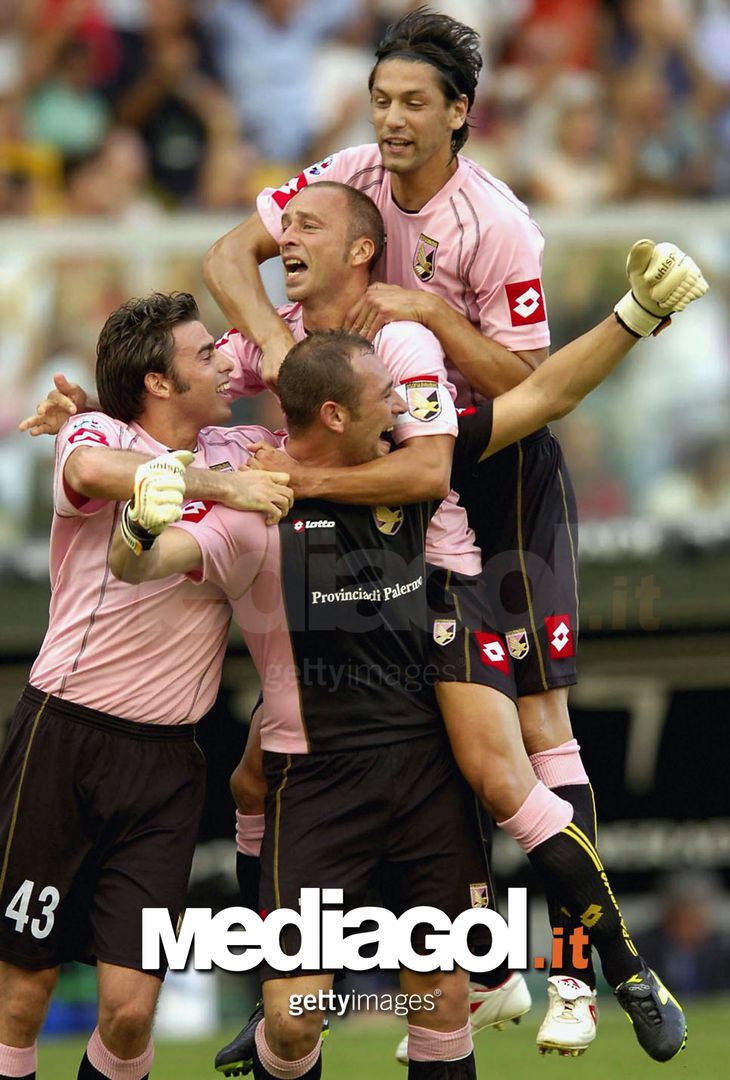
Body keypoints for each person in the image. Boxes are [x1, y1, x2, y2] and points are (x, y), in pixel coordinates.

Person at [119, 232, 704, 1074]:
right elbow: (158, 484)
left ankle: (619, 970)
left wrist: (636, 314)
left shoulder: (415, 459)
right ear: (334, 414)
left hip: (430, 683)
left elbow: (542, 397)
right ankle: (285, 995)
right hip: (320, 751)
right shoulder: (250, 478)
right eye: (383, 398)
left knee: (503, 785)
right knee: (265, 839)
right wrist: (104, 443)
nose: (404, 406)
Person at [199, 6, 616, 1047]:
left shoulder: (499, 222)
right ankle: (452, 971)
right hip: (391, 486)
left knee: (529, 731)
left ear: (458, 114)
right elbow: (224, 257)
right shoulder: (344, 175)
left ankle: (572, 971)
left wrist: (435, 318)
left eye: (411, 103)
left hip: (494, 474)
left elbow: (534, 384)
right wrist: (287, 357)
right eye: (381, 98)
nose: (388, 120)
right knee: (272, 755)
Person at [0, 292, 293, 1080]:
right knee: (20, 996)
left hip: (167, 764)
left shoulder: (234, 443)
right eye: (203, 357)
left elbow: (295, 364)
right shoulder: (96, 433)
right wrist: (226, 489)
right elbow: (95, 469)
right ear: (159, 384)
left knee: (130, 1013)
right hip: (64, 737)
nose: (223, 364)